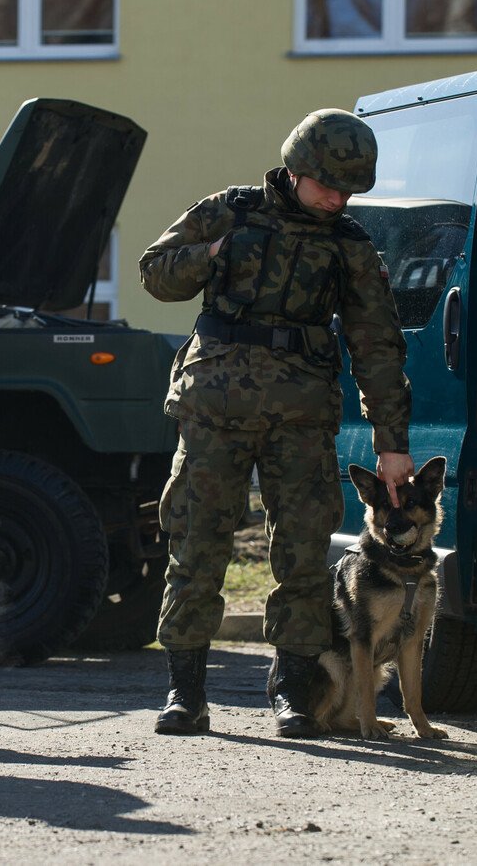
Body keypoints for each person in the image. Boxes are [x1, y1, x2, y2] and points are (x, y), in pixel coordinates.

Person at [139, 108, 413, 738]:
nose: (338, 199)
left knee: (303, 554)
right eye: (329, 185)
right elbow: (155, 274)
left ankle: (294, 691)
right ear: (296, 169)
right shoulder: (227, 212)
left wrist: (391, 445)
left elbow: (377, 345)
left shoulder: (349, 245)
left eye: (349, 191)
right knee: (197, 543)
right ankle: (186, 694)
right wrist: (208, 256)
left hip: (301, 418)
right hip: (214, 410)